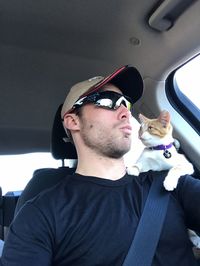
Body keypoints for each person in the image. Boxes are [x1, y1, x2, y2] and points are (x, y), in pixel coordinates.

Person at [0, 65, 200, 266]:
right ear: (73, 121)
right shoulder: (40, 213)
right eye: (108, 102)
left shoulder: (172, 184)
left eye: (126, 104)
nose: (125, 112)